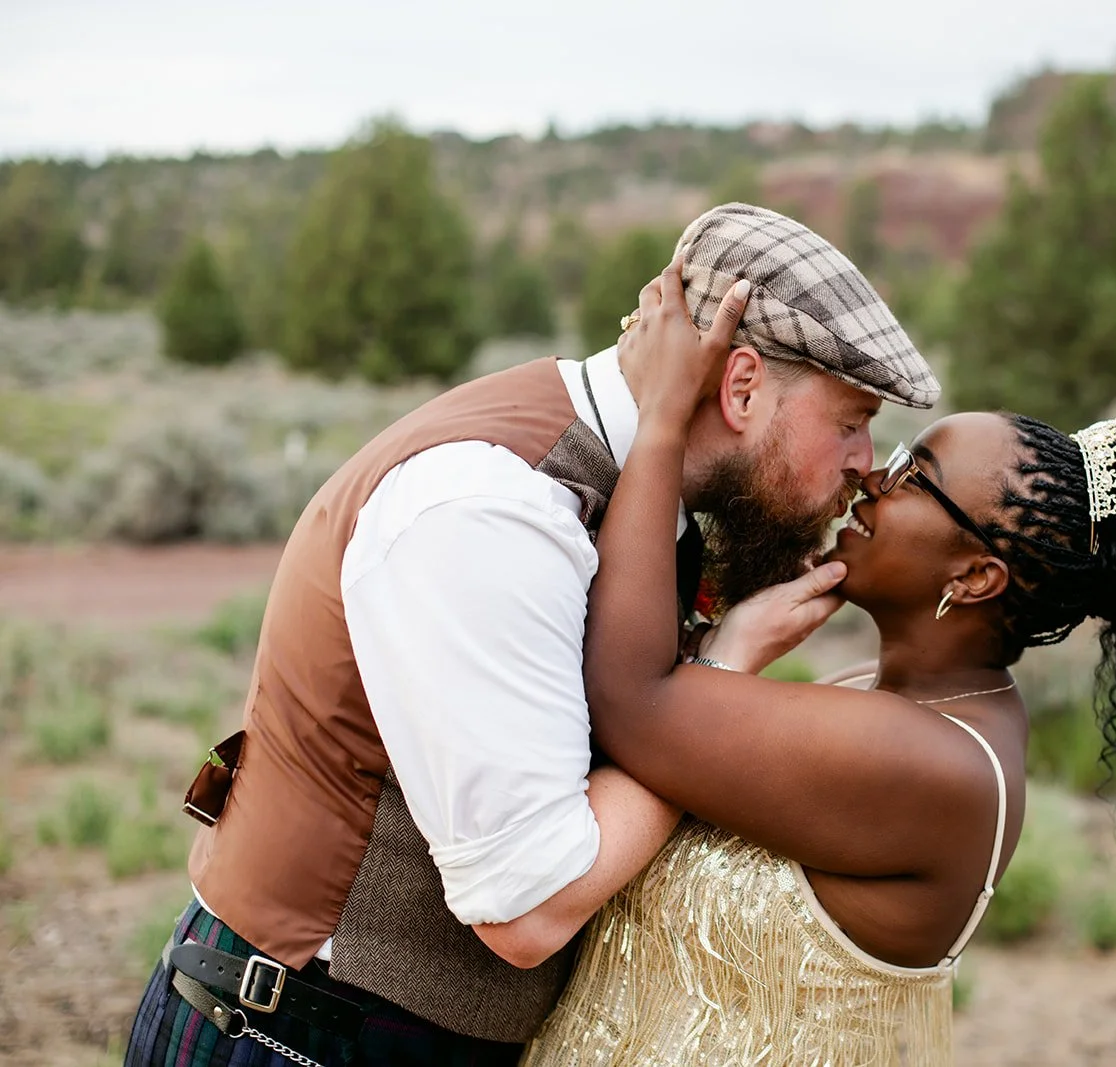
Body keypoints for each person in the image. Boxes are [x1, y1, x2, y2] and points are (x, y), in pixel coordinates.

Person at [121, 204, 940, 1066]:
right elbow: (527, 906)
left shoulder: (632, 498)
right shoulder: (493, 510)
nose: (866, 461)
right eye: (851, 419)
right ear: (740, 386)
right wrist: (720, 672)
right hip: (298, 1038)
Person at [522, 267, 1116, 1064]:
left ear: (973, 577)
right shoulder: (881, 698)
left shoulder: (939, 764)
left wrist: (662, 415)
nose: (871, 478)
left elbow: (632, 701)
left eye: (914, 477)